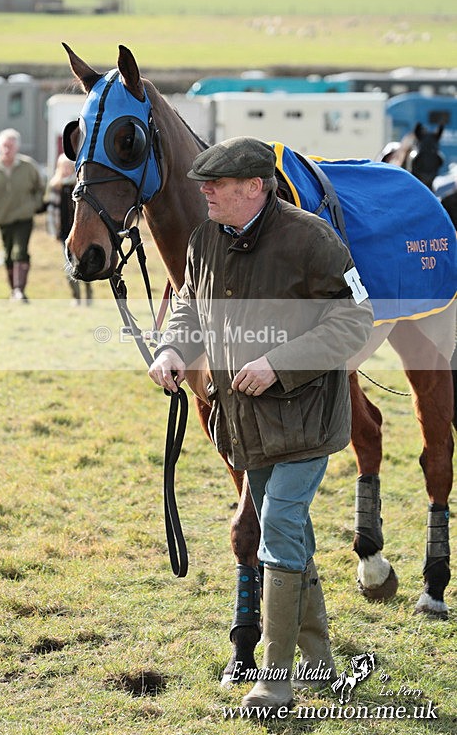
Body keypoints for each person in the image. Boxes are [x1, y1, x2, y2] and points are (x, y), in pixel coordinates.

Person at [148, 137, 374, 713]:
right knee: (289, 532)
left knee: (277, 523)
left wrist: (279, 363)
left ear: (254, 187)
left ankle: (275, 680)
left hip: (306, 420)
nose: (204, 193)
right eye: (203, 184)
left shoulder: (314, 239)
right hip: (244, 425)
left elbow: (356, 318)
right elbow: (189, 307)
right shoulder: (204, 240)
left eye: (216, 185)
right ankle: (321, 663)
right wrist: (173, 349)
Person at [0, 128, 45, 302]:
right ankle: (12, 290)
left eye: (11, 146)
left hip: (24, 217)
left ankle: (19, 290)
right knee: (7, 255)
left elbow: (40, 188)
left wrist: (34, 205)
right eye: (5, 146)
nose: (7, 149)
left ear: (17, 147)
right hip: (1, 217)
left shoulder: (28, 166)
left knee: (20, 252)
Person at [44, 153, 93, 306]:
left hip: (81, 231)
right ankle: (76, 297)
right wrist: (54, 231)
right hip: (64, 233)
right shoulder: (55, 187)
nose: (66, 170)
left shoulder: (80, 185)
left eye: (68, 166)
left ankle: (88, 294)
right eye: (63, 167)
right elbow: (51, 210)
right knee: (70, 265)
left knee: (85, 263)